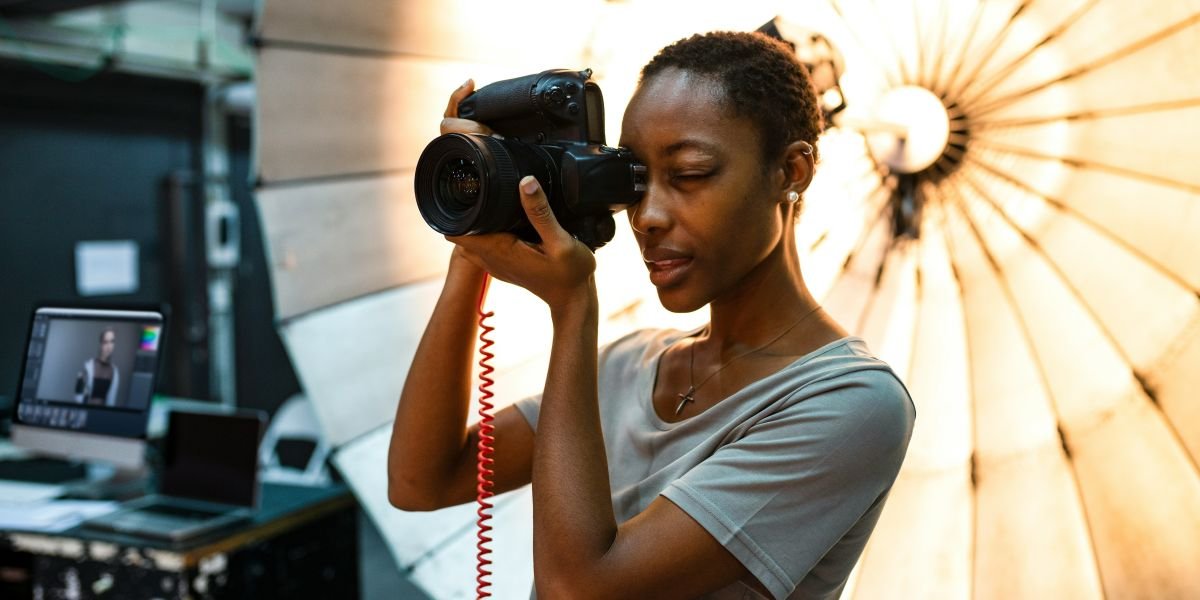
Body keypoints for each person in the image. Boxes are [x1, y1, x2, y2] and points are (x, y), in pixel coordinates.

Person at [388, 31, 915, 600]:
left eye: (689, 174)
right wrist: (475, 239)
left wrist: (573, 309)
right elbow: (422, 480)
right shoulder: (629, 364)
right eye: (635, 180)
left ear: (791, 171)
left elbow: (578, 589)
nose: (647, 217)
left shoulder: (851, 403)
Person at [75, 327, 119, 406]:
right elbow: (78, 396)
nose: (109, 346)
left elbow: (111, 401)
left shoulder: (115, 372)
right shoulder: (87, 366)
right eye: (105, 342)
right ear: (100, 344)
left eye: (112, 342)